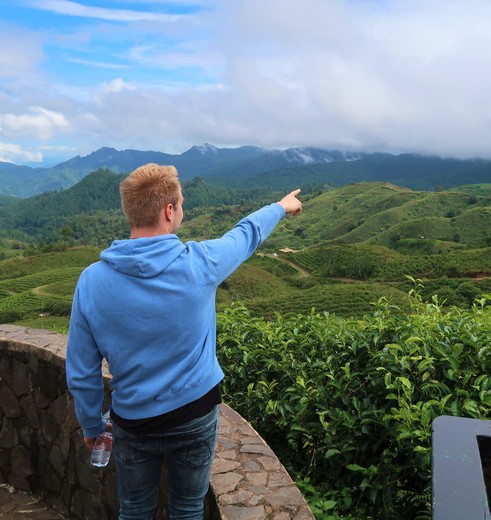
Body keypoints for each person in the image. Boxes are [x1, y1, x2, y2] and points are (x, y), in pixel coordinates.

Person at [66, 163, 303, 520]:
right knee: (188, 508)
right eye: (182, 204)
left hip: (133, 420)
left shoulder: (91, 281)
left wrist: (91, 427)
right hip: (195, 413)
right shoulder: (200, 264)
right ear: (169, 210)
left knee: (133, 510)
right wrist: (280, 207)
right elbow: (244, 235)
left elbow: (82, 371)